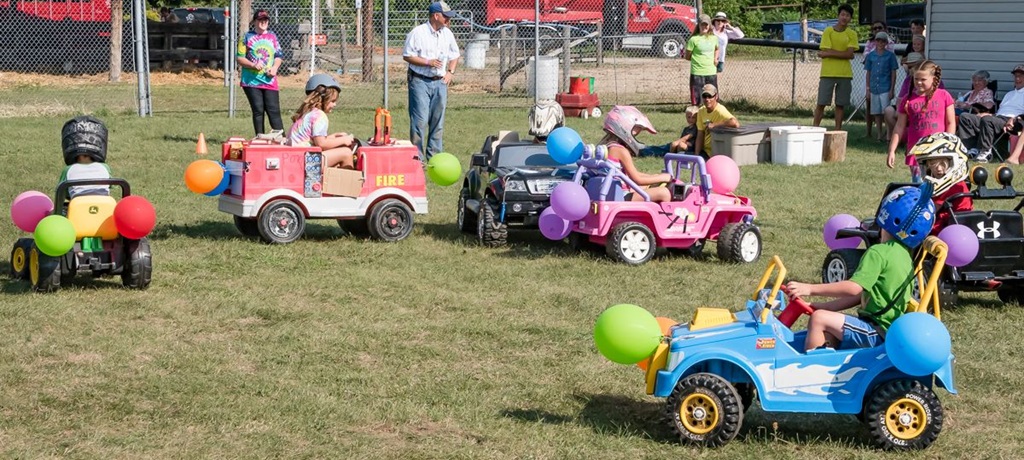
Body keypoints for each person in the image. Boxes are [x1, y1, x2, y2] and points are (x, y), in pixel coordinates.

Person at [786, 183, 936, 351]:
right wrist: (822, 306)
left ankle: (811, 372)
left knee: (819, 319)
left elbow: (854, 289)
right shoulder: (905, 258)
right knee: (825, 323)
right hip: (887, 331)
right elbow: (862, 296)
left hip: (876, 332)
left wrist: (809, 288)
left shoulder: (878, 253)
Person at [403, 1, 460, 161]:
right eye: (445, 17)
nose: (448, 20)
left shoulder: (447, 33)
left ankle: (435, 157)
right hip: (420, 81)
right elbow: (407, 55)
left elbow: (455, 54)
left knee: (437, 121)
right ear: (436, 16)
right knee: (419, 121)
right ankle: (418, 158)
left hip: (440, 82)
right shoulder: (418, 33)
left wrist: (450, 72)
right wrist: (428, 62)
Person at [886, 60, 955, 183]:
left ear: (934, 79)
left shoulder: (944, 96)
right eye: (916, 79)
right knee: (920, 187)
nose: (918, 82)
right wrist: (892, 150)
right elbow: (899, 127)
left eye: (923, 79)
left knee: (940, 188)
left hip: (939, 151)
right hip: (917, 153)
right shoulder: (908, 100)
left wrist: (948, 144)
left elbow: (950, 123)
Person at [600, 106, 672, 203]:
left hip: (608, 193)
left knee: (648, 186)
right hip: (621, 197)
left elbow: (630, 175)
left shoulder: (604, 147)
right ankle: (664, 217)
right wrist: (664, 177)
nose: (638, 132)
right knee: (664, 192)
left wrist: (654, 176)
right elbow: (637, 179)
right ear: (625, 126)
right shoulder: (620, 150)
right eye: (637, 129)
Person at [958, 64, 1024, 163]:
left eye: (1021, 76)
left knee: (987, 120)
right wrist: (989, 114)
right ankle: (971, 149)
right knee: (965, 117)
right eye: (1016, 76)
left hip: (1013, 122)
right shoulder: (1009, 94)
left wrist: (1015, 119)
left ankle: (985, 151)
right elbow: (1000, 112)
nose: (1017, 79)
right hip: (998, 118)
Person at [288, 74, 357, 169]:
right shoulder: (320, 116)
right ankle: (346, 183)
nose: (335, 104)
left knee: (337, 151)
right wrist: (344, 140)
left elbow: (316, 140)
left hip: (295, 158)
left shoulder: (309, 113)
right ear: (322, 99)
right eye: (332, 101)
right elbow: (322, 144)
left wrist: (333, 137)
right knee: (346, 153)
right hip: (305, 161)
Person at [910, 133, 973, 235]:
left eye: (943, 164)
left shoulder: (956, 186)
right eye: (932, 165)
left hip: (947, 232)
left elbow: (929, 210)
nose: (938, 169)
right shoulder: (936, 184)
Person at [236, 10, 283, 137]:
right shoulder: (246, 37)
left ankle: (280, 139)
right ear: (255, 21)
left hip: (269, 80)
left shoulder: (273, 36)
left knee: (273, 110)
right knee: (258, 109)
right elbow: (240, 58)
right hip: (251, 81)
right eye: (260, 20)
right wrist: (252, 65)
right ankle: (260, 138)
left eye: (266, 20)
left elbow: (278, 55)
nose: (263, 22)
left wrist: (274, 68)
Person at [813, 4, 858, 131]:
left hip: (845, 74)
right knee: (821, 103)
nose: (845, 17)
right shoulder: (828, 31)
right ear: (838, 16)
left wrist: (828, 53)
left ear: (850, 18)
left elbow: (849, 54)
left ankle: (837, 130)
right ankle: (815, 128)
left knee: (840, 104)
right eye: (843, 14)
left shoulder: (852, 33)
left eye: (847, 15)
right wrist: (843, 54)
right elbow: (845, 53)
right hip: (827, 73)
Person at [60, 116, 111, 199]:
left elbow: (62, 192)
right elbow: (110, 187)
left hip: (77, 207)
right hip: (104, 206)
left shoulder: (68, 169)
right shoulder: (105, 167)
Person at [863, 32, 898, 142]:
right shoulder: (870, 56)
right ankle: (878, 134)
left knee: (886, 112)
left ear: (886, 43)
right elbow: (868, 72)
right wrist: (867, 89)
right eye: (878, 40)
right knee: (876, 112)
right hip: (874, 88)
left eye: (883, 41)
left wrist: (892, 89)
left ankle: (888, 134)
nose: (880, 43)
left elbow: (893, 73)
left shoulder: (890, 56)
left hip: (885, 87)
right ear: (875, 42)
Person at [694, 84, 740, 158]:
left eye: (710, 96)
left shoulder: (720, 110)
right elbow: (700, 134)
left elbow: (735, 123)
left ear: (716, 96)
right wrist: (696, 156)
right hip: (705, 152)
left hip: (718, 153)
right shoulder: (701, 111)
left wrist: (714, 125)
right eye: (704, 96)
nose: (707, 99)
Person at [683, 14, 718, 106]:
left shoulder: (714, 38)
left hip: (710, 71)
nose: (704, 27)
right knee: (697, 98)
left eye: (706, 25)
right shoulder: (693, 40)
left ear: (709, 25)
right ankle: (697, 115)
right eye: (702, 24)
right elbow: (687, 56)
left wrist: (715, 58)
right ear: (698, 25)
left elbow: (717, 49)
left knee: (712, 98)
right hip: (697, 72)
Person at [711, 12, 744, 84]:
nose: (720, 22)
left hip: (720, 60)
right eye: (718, 20)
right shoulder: (710, 32)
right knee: (709, 78)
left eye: (722, 21)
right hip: (710, 58)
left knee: (714, 79)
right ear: (714, 21)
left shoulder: (726, 32)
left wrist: (731, 27)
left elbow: (741, 35)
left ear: (725, 22)